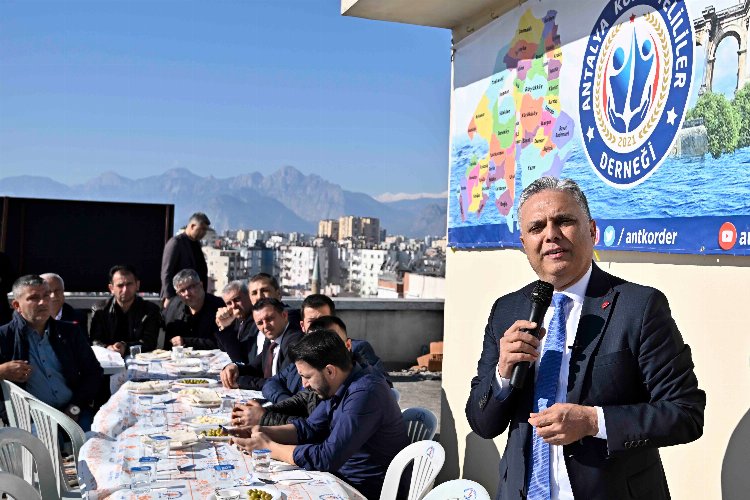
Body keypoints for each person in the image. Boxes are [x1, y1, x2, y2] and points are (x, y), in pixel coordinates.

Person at [465, 177, 705, 499]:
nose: (550, 234)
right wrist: (502, 374)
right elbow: (482, 423)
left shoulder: (639, 307)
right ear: (524, 243)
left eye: (563, 221)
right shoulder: (507, 310)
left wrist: (594, 421)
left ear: (591, 231)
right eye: (537, 228)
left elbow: (685, 413)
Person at [230, 330, 408, 499]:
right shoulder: (339, 382)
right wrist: (261, 431)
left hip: (365, 490)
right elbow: (309, 427)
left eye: (307, 376)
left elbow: (326, 458)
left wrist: (269, 447)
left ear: (330, 371)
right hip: (339, 478)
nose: (304, 384)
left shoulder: (365, 393)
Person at [232, 315, 389, 428]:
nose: (305, 383)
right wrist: (261, 413)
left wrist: (264, 418)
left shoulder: (360, 385)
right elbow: (295, 397)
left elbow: (318, 434)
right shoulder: (309, 364)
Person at [0, 275, 103, 431]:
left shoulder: (70, 332)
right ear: (16, 305)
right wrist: (1, 371)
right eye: (34, 298)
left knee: (98, 441)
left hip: (73, 411)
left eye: (46, 295)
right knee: (47, 449)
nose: (43, 302)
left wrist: (75, 407)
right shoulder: (4, 337)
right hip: (29, 419)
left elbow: (94, 372)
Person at [262, 294, 388, 403]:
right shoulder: (301, 352)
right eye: (312, 322)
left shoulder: (357, 349)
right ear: (303, 326)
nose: (318, 328)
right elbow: (271, 384)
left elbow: (382, 388)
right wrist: (287, 403)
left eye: (324, 321)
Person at [220, 298, 302, 390]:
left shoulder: (294, 341)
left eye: (269, 319)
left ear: (284, 315)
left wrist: (241, 381)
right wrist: (235, 367)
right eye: (260, 323)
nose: (265, 326)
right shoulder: (272, 338)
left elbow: (281, 382)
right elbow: (255, 368)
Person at [89, 265, 161, 354]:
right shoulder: (100, 309)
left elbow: (149, 343)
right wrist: (107, 348)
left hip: (139, 359)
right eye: (120, 285)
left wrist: (125, 347)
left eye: (129, 284)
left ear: (137, 285)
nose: (125, 289)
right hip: (109, 358)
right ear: (111, 288)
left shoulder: (150, 310)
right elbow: (95, 341)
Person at [163, 268, 224, 349]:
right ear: (178, 294)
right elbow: (167, 342)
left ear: (201, 285)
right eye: (182, 290)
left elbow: (222, 342)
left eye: (191, 287)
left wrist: (187, 342)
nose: (187, 293)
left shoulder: (219, 306)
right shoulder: (173, 307)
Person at [160, 212, 210, 307]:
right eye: (202, 229)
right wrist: (169, 297)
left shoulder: (196, 244)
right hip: (178, 297)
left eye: (205, 230)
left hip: (194, 298)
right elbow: (166, 272)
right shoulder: (175, 243)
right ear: (192, 226)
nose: (204, 233)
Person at [215, 280, 259, 365]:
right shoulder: (237, 319)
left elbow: (240, 358)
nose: (234, 306)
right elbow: (223, 347)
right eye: (229, 303)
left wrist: (226, 330)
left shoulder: (257, 320)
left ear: (249, 296)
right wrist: (223, 326)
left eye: (237, 299)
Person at [40, 272, 89, 337]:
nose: (53, 296)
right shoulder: (31, 317)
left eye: (57, 290)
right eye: (48, 291)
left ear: (63, 291)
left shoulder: (78, 317)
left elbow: (84, 344)